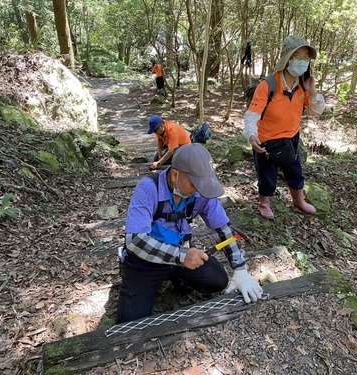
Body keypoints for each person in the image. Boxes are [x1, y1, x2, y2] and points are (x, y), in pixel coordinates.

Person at [117, 143, 263, 323]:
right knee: (130, 321)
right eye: (194, 183)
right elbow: (135, 241)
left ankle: (176, 276)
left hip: (181, 253)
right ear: (175, 175)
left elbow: (223, 228)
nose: (198, 189)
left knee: (218, 281)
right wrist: (181, 256)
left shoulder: (201, 192)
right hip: (146, 261)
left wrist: (240, 268)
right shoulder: (148, 189)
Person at [243, 35, 325, 218]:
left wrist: (312, 92)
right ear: (287, 58)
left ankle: (298, 200)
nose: (302, 61)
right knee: (267, 175)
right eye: (297, 56)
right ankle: (264, 203)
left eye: (306, 58)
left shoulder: (303, 86)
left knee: (295, 171)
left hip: (291, 137)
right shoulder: (268, 85)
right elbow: (252, 115)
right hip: (266, 140)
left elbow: (316, 111)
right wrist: (251, 136)